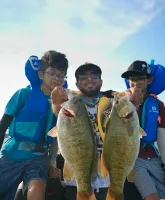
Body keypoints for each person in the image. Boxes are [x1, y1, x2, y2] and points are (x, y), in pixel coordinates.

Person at [51, 62, 143, 200]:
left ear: (101, 81)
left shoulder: (112, 100)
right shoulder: (71, 100)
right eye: (83, 77)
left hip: (109, 182)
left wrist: (134, 92)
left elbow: (130, 95)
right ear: (77, 84)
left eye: (94, 75)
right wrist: (55, 101)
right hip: (76, 183)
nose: (89, 79)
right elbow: (58, 109)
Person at [0, 50, 68, 200]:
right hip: (12, 154)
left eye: (61, 75)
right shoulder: (23, 94)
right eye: (52, 73)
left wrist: (53, 163)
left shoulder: (62, 104)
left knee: (37, 189)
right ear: (41, 74)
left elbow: (56, 136)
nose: (56, 79)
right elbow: (2, 125)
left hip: (39, 157)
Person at [121, 60, 165, 200]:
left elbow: (161, 139)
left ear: (149, 80)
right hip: (134, 159)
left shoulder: (158, 104)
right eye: (133, 79)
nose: (137, 82)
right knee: (152, 197)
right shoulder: (121, 101)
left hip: (154, 157)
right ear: (128, 81)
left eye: (141, 78)